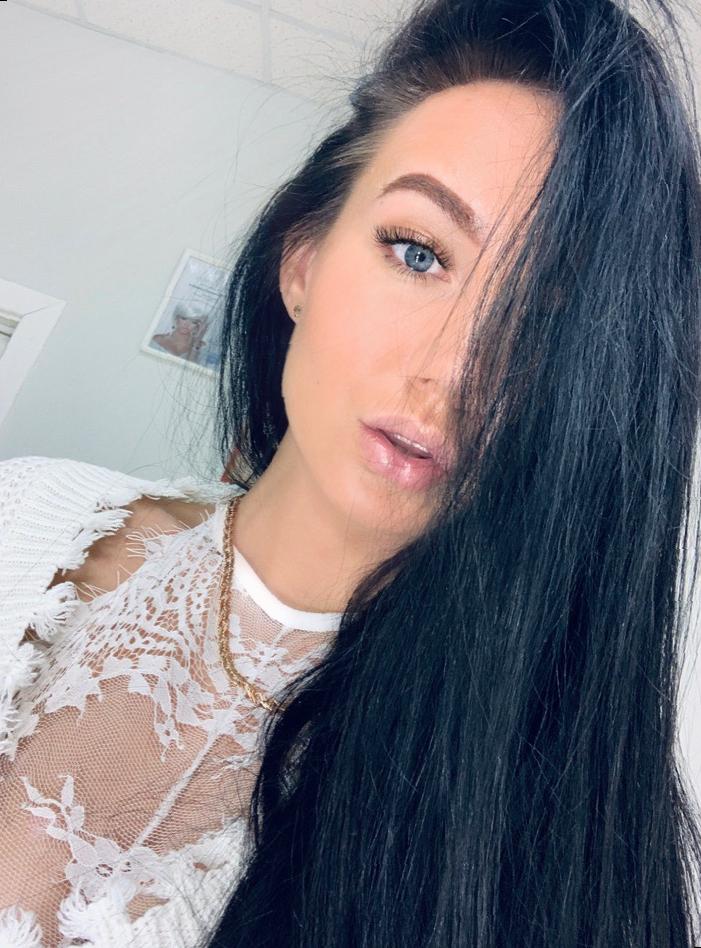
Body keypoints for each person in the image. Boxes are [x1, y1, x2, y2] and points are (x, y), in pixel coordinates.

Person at [1, 0, 701, 944]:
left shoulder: (547, 827)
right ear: (303, 257)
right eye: (418, 253)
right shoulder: (22, 516)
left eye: (546, 324)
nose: (453, 369)